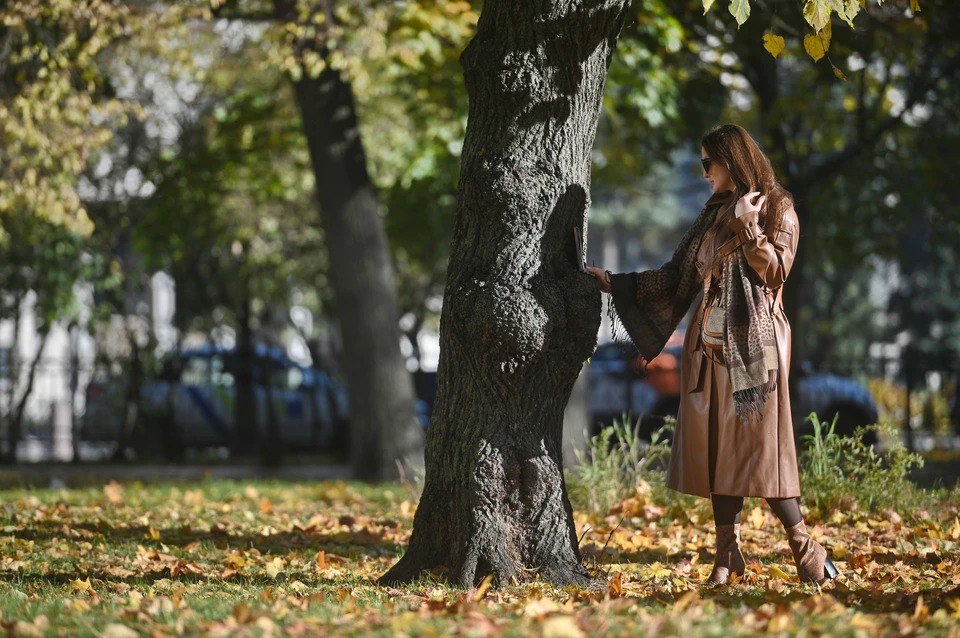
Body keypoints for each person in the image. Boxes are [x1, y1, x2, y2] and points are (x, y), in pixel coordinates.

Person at [587, 124, 839, 585]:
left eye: (710, 162)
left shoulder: (778, 207)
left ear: (733, 159)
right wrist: (616, 282)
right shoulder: (712, 213)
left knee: (762, 451)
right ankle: (727, 556)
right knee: (719, 453)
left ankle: (807, 548)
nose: (704, 172)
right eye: (702, 164)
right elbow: (676, 275)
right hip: (708, 347)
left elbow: (776, 274)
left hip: (755, 351)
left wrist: (749, 229)